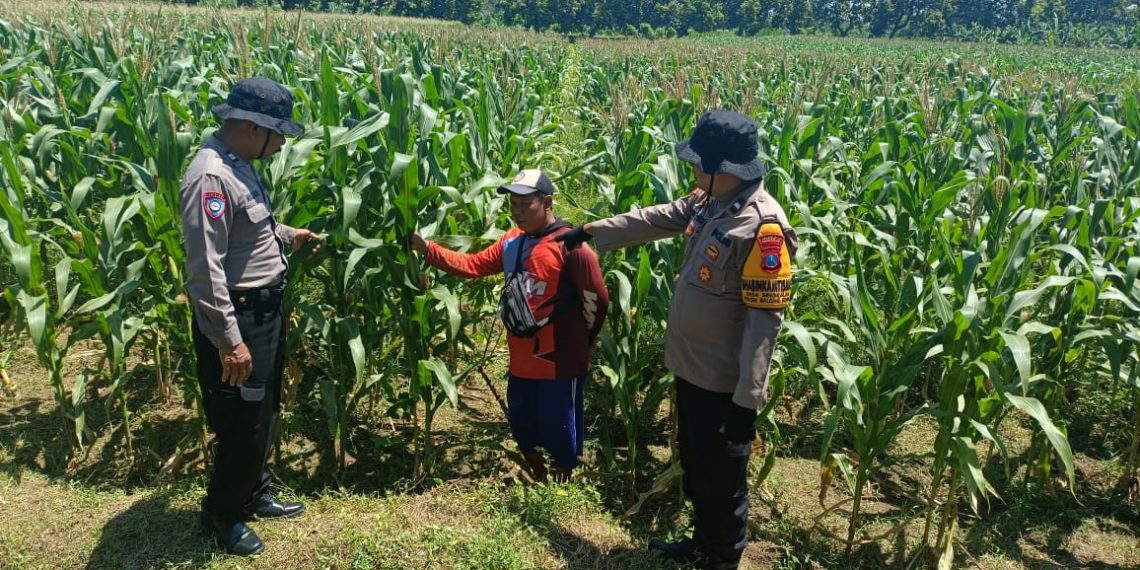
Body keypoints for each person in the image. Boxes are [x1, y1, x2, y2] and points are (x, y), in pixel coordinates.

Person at [556, 110, 796, 570]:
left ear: (722, 167)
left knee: (723, 477)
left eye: (697, 161)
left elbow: (764, 323)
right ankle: (703, 542)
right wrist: (591, 231)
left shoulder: (762, 228)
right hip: (691, 369)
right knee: (698, 465)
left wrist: (746, 403)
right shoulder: (708, 201)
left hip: (724, 384)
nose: (691, 168)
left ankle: (721, 558)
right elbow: (657, 218)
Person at [180, 77, 323, 556]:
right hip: (239, 319)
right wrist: (229, 341)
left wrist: (288, 235)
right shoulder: (211, 177)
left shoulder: (239, 164)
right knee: (243, 419)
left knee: (262, 411)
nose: (282, 142)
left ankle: (253, 490)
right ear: (251, 128)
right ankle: (222, 513)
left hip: (262, 312)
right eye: (277, 132)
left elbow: (251, 227)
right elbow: (205, 269)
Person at [411, 169, 609, 482]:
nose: (517, 211)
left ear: (547, 202)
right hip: (521, 359)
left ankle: (562, 484)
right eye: (513, 204)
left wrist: (579, 343)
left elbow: (597, 300)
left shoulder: (571, 246)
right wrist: (426, 248)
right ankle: (539, 477)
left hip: (559, 362)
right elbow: (473, 265)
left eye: (525, 204)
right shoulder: (511, 242)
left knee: (559, 428)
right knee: (523, 425)